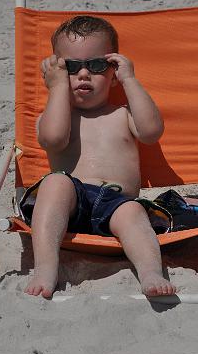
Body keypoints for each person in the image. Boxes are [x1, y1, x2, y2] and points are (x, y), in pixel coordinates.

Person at [24, 15, 177, 299]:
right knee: (55, 183)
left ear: (112, 71)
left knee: (134, 211)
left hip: (117, 204)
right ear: (56, 70)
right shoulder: (57, 117)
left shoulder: (123, 114)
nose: (83, 74)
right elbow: (54, 139)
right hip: (69, 205)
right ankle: (46, 268)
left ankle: (150, 271)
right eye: (71, 67)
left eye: (95, 65)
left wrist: (129, 80)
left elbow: (152, 132)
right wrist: (57, 88)